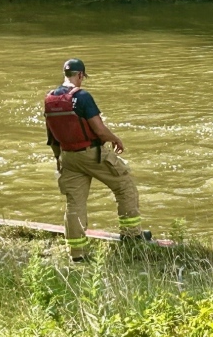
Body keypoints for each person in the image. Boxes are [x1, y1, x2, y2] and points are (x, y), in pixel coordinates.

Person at [44, 58, 149, 261]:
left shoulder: (49, 99)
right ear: (80, 75)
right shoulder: (82, 97)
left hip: (68, 157)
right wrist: (115, 139)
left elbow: (51, 134)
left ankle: (77, 254)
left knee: (75, 203)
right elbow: (99, 129)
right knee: (124, 185)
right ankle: (132, 236)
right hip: (92, 153)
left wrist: (58, 158)